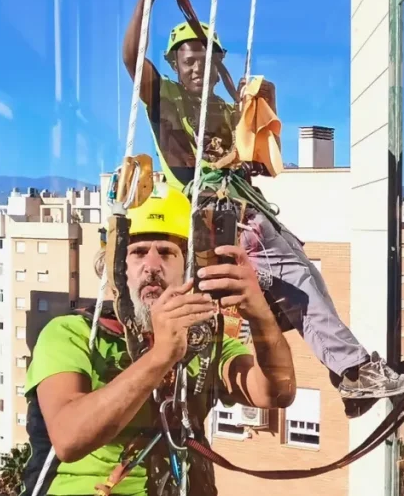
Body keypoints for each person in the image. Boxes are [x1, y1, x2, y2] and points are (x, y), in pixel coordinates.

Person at [122, 0, 404, 416]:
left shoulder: (227, 109)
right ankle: (353, 372)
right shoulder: (164, 100)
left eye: (206, 59)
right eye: (188, 61)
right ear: (173, 64)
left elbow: (256, 157)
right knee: (300, 282)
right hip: (221, 210)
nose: (198, 68)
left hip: (244, 206)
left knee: (308, 281)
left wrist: (255, 116)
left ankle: (347, 377)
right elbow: (131, 59)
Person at [21, 187, 297, 495]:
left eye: (167, 252)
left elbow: (276, 392)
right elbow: (70, 438)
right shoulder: (72, 334)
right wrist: (161, 355)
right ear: (116, 269)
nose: (152, 266)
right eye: (138, 252)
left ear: (188, 268)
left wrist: (260, 314)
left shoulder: (202, 341)